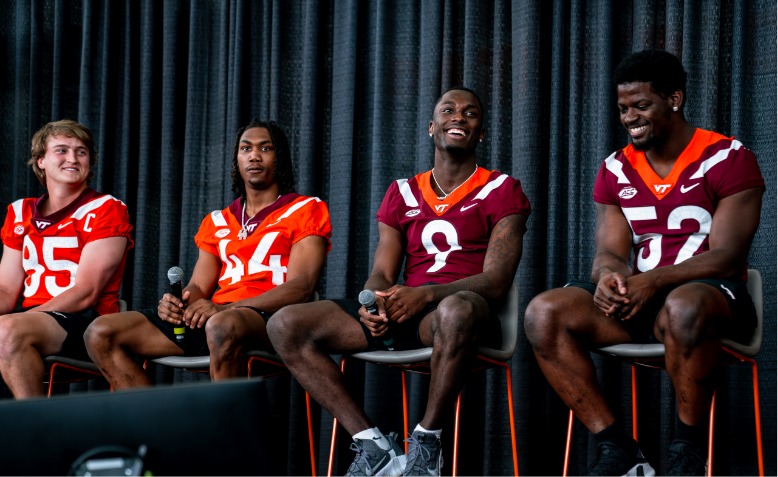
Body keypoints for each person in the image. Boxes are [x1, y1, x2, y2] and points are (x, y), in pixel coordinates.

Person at [524, 50, 764, 477]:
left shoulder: (728, 156)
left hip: (712, 303)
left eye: (640, 105)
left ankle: (688, 454)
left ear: (674, 99)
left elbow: (728, 256)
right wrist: (608, 277)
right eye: (623, 108)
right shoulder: (616, 168)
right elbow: (610, 252)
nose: (629, 117)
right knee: (544, 313)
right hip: (641, 304)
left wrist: (651, 281)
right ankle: (618, 450)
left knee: (684, 305)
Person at [268, 87, 530, 477]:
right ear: (431, 127)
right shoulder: (401, 192)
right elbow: (382, 272)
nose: (458, 116)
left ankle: (427, 444)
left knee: (455, 311)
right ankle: (372, 445)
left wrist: (425, 294)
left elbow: (496, 281)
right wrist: (375, 299)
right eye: (448, 110)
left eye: (470, 113)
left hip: (463, 316)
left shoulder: (503, 188)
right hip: (408, 313)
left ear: (481, 133)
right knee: (284, 324)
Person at [84, 119, 331, 386]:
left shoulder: (306, 208)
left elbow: (302, 287)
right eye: (246, 148)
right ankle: (154, 414)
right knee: (100, 332)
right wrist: (178, 304)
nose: (254, 156)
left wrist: (225, 308)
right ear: (237, 158)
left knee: (221, 325)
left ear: (279, 156)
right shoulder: (217, 220)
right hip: (216, 320)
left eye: (265, 148)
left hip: (267, 319)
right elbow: (200, 286)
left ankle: (225, 416)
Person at [0, 120, 133, 398]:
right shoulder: (20, 212)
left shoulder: (106, 208)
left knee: (6, 330)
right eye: (61, 150)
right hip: (29, 320)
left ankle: (34, 423)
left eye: (81, 152)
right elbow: (6, 290)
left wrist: (22, 319)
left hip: (85, 322)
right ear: (41, 161)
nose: (73, 158)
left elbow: (86, 292)